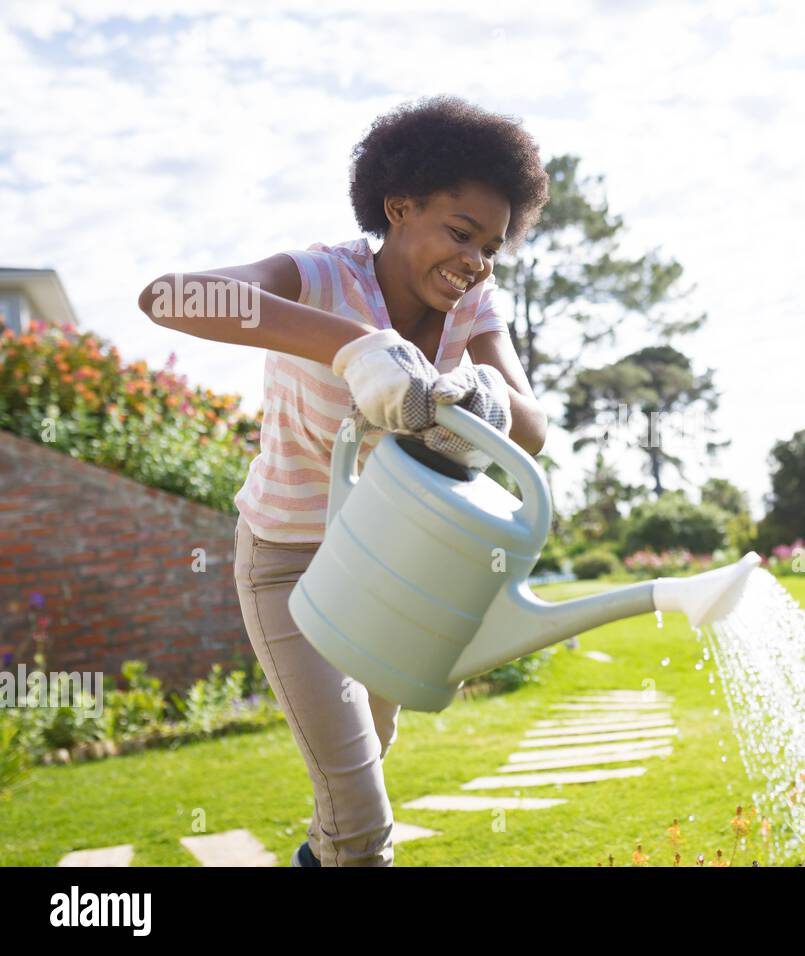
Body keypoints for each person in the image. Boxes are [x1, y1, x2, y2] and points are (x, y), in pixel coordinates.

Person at [137, 95, 550, 866]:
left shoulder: (474, 306)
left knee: (356, 794)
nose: (475, 262)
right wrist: (356, 347)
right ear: (399, 206)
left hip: (390, 567)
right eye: (460, 234)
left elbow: (533, 425)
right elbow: (168, 296)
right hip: (290, 563)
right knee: (361, 820)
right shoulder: (322, 277)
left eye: (491, 247)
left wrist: (486, 397)